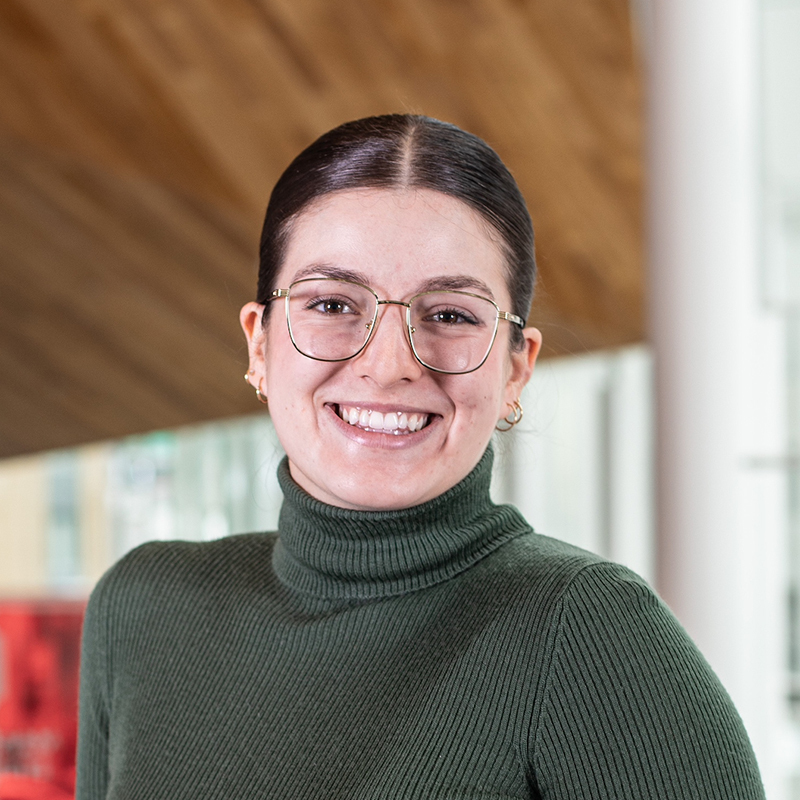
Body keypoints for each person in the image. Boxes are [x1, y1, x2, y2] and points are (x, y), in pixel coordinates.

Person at [76, 114, 765, 799]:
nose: (389, 365)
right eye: (332, 303)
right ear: (260, 345)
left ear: (517, 371)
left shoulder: (588, 634)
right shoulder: (139, 611)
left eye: (452, 315)